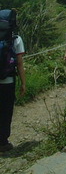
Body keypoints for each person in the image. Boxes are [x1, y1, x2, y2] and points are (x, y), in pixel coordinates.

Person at [0, 20, 25, 153]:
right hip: (8, 81)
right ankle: (3, 142)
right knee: (6, 111)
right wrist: (23, 83)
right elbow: (19, 64)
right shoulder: (16, 39)